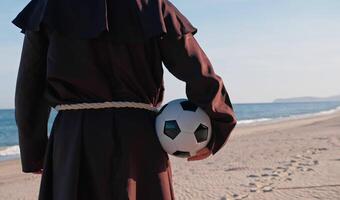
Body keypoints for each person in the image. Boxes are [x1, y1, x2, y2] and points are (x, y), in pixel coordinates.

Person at [13, 0, 237, 199]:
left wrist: (34, 152)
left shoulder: (47, 6)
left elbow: (29, 87)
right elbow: (199, 73)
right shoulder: (153, 6)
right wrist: (217, 127)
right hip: (139, 138)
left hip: (74, 141)